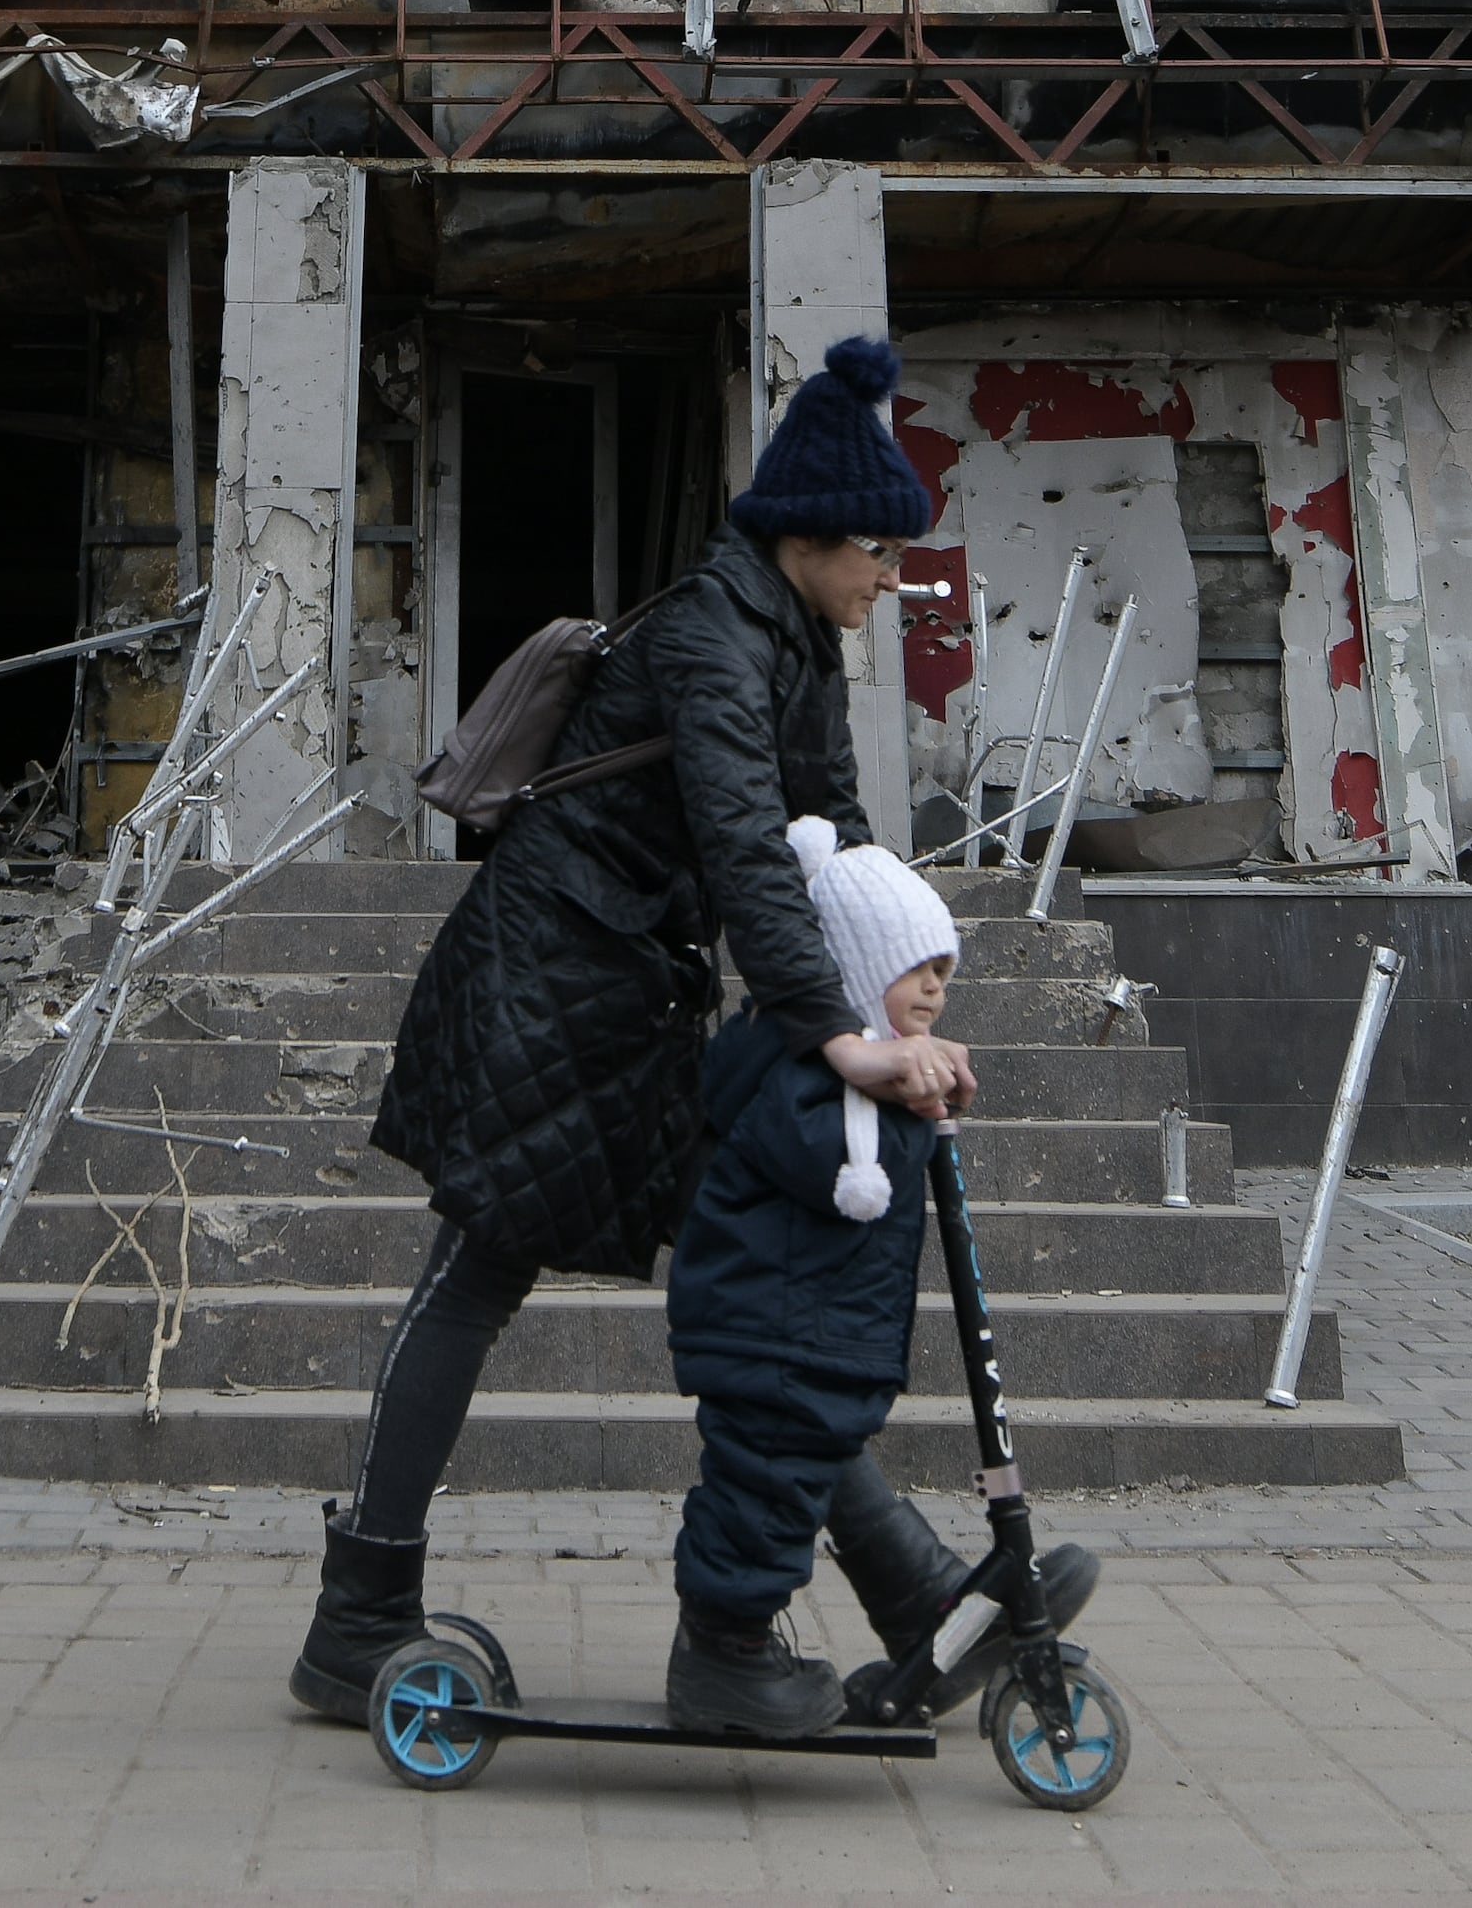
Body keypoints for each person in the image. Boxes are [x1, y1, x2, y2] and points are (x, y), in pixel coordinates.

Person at [291, 332, 981, 1724]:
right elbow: (740, 841)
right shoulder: (714, 642)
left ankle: (905, 1586)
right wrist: (841, 1041)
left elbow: (830, 847)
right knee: (480, 1271)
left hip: (633, 981)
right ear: (810, 538)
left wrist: (896, 993)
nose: (892, 580)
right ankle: (358, 1611)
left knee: (749, 1278)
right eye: (881, 555)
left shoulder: (793, 642)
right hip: (548, 976)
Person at [661, 819, 1098, 1735]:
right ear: (854, 975)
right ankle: (724, 1651)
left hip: (816, 1336)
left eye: (945, 968)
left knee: (802, 1465)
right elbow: (832, 1166)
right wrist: (906, 1102)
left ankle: (921, 1605)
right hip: (769, 1333)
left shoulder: (848, 1071)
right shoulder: (790, 1066)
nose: (936, 987)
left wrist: (911, 1088)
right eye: (916, 969)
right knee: (761, 1494)